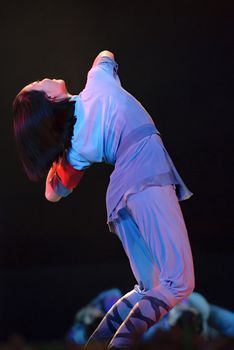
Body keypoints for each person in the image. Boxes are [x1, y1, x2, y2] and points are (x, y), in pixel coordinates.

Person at [13, 50, 195, 349]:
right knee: (179, 282)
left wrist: (57, 158)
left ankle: (97, 345)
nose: (45, 78)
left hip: (122, 195)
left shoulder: (74, 152)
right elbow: (105, 54)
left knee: (150, 287)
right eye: (39, 84)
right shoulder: (97, 82)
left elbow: (52, 194)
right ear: (50, 102)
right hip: (144, 176)